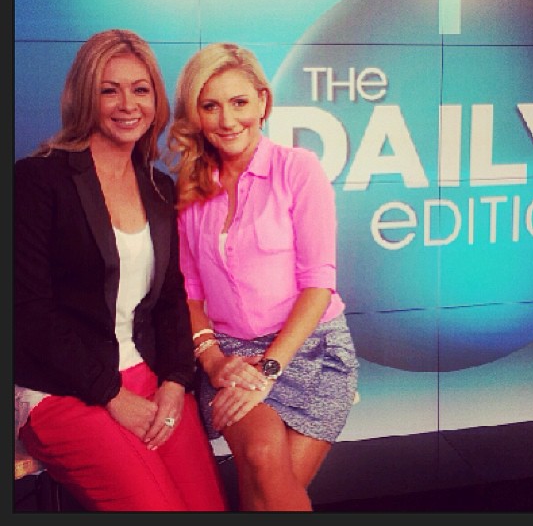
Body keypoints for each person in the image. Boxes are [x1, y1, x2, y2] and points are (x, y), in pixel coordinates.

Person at [14, 29, 229, 512]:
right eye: (109, 90)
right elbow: (28, 315)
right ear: (83, 97)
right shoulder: (36, 180)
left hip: (146, 374)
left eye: (140, 89)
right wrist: (111, 394)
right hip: (62, 387)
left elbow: (170, 299)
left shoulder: (159, 186)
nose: (128, 105)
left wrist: (175, 382)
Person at [166, 42, 359, 512]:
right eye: (210, 106)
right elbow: (190, 293)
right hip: (233, 355)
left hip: (313, 351)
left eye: (239, 102)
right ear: (195, 115)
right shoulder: (191, 189)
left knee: (265, 497)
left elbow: (319, 285)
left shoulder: (298, 169)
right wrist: (214, 362)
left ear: (263, 103)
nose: (227, 120)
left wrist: (271, 369)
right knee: (261, 452)